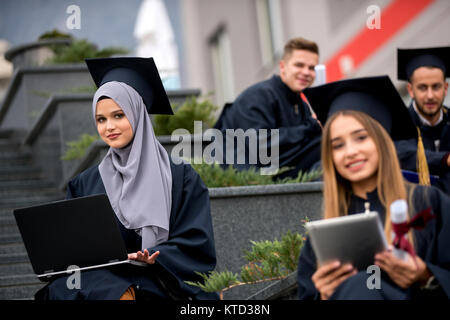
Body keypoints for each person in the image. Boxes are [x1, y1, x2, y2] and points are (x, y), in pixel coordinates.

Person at [35, 57, 218, 300]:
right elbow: (76, 256)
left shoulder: (180, 176)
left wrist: (155, 255)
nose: (109, 126)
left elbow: (197, 243)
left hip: (160, 279)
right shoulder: (85, 183)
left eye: (118, 115)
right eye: (101, 119)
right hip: (105, 283)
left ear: (138, 114)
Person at [298, 77, 450, 300]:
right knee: (360, 285)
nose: (350, 152)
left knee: (362, 285)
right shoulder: (324, 235)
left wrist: (426, 276)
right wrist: (324, 295)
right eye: (338, 145)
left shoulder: (428, 203)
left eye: (361, 138)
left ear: (383, 141)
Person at [213, 37, 322, 178]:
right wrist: (311, 126)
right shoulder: (258, 95)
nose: (306, 72)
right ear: (283, 67)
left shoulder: (301, 105)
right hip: (249, 176)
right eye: (299, 65)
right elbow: (260, 146)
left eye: (311, 68)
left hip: (280, 170)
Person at [396, 47, 450, 193]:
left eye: (436, 87)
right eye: (422, 88)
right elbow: (404, 156)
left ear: (446, 88)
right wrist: (446, 159)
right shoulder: (397, 125)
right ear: (411, 90)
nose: (430, 95)